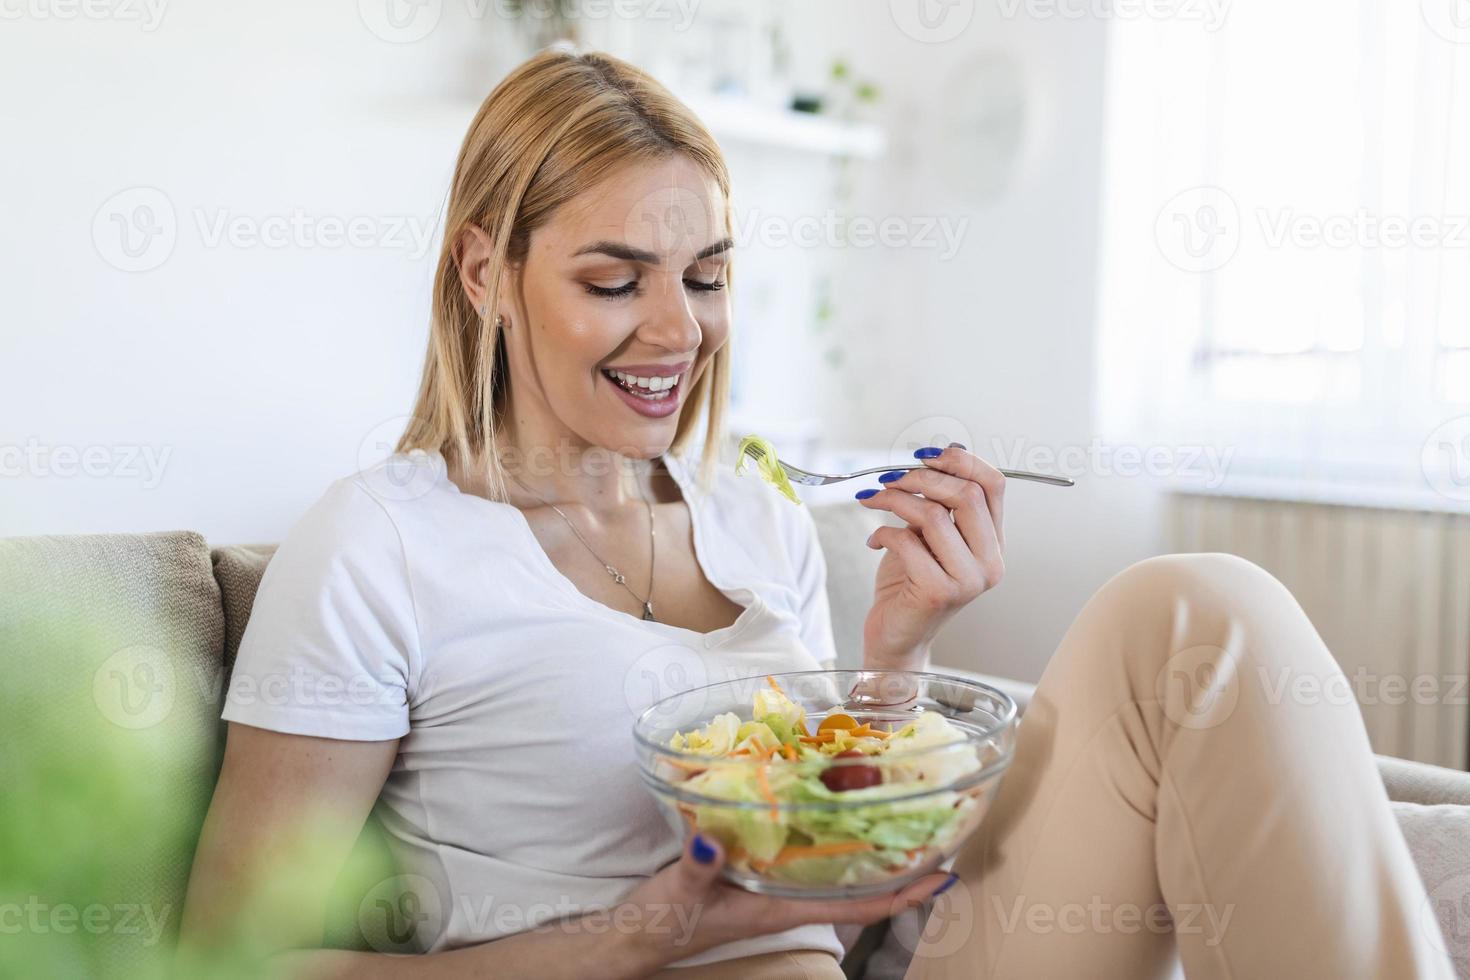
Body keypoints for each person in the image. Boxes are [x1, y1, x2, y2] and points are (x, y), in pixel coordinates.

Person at [178, 47, 1454, 980]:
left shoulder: (758, 521)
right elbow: (230, 959)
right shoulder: (377, 544)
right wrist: (653, 927)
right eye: (614, 279)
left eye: (708, 276)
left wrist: (895, 655)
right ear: (483, 273)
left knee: (1197, 610)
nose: (676, 331)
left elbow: (839, 893)